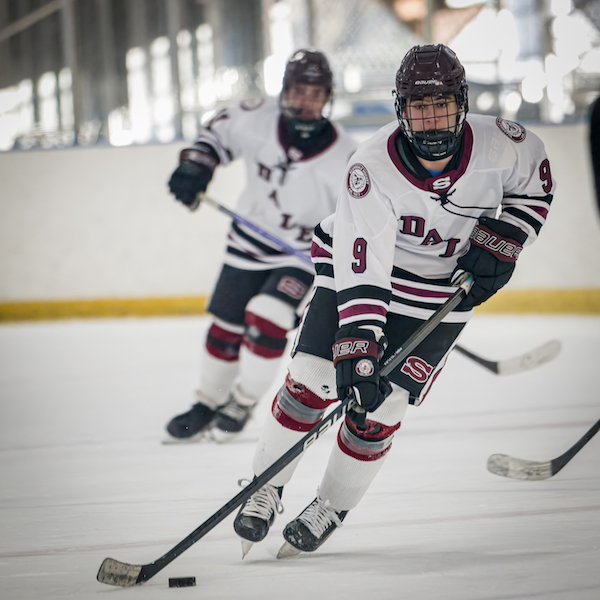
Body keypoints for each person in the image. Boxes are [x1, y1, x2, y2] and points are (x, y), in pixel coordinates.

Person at [232, 44, 555, 556]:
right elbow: (364, 263)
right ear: (400, 108)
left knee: (384, 406)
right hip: (362, 275)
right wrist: (359, 342)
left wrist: (506, 238)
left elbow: (534, 188)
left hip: (442, 291)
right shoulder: (372, 167)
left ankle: (331, 505)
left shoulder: (505, 145)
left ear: (463, 102)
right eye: (418, 106)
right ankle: (265, 487)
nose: (431, 118)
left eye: (442, 103)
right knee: (313, 379)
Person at [165, 49, 358, 443]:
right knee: (225, 327)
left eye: (315, 94)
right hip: (249, 240)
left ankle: (242, 400)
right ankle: (207, 403)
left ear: (328, 98)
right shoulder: (256, 117)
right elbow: (215, 135)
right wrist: (196, 166)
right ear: (284, 91)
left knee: (268, 315)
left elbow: (362, 214)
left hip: (303, 255)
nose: (306, 102)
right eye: (298, 91)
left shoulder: (345, 155)